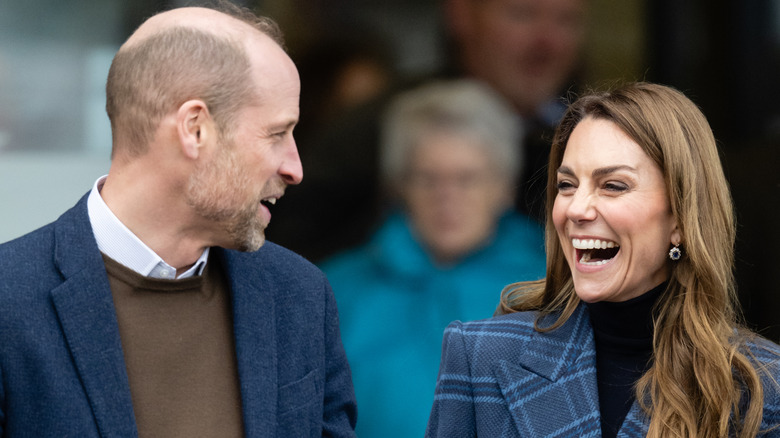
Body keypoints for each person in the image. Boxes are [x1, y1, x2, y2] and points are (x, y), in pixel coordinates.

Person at [0, 5, 356, 437]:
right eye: (277, 133)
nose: (294, 168)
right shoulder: (9, 302)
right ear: (195, 129)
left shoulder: (299, 297)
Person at [426, 82, 780, 437]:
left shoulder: (764, 387)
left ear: (680, 219)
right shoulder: (479, 356)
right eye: (566, 185)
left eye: (613, 185)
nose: (575, 209)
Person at [322, 80, 546, 437]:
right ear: (398, 187)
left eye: (466, 178)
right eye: (428, 178)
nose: (447, 196)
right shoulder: (334, 290)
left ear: (504, 187)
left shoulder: (552, 281)